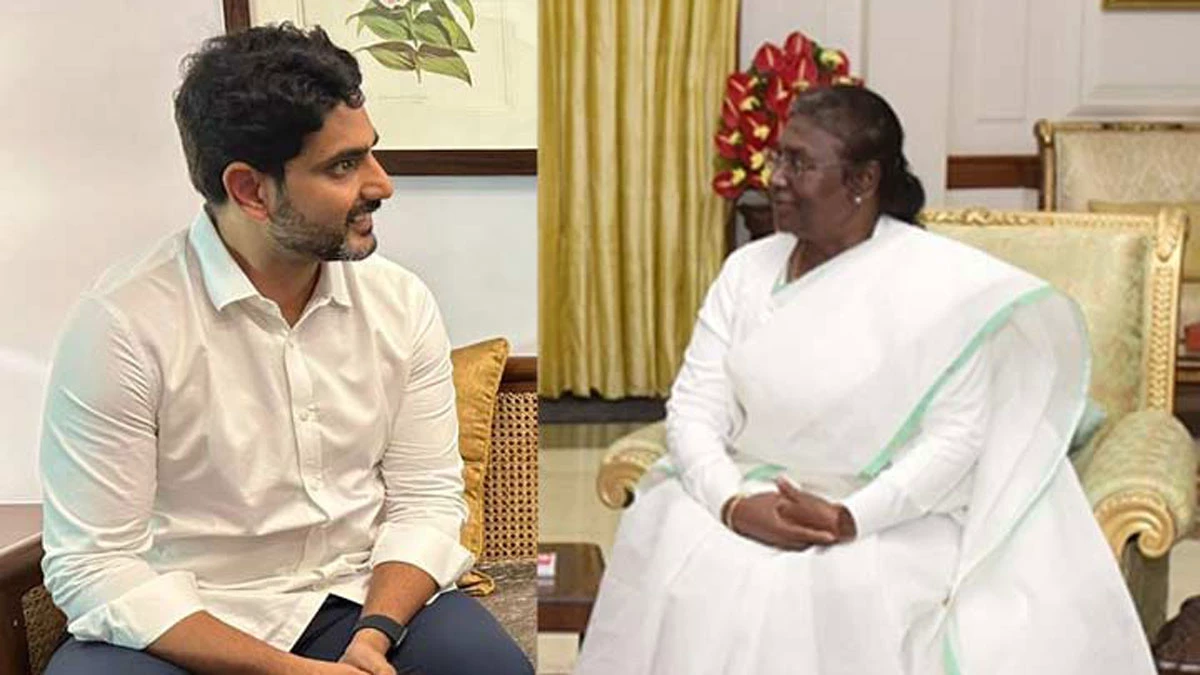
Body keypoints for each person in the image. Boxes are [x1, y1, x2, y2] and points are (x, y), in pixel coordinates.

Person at [574, 85, 1155, 674]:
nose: (776, 178)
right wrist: (732, 504)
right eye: (778, 157)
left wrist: (851, 518)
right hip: (747, 490)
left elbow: (955, 440)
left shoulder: (938, 286)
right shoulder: (746, 270)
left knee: (834, 587)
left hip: (887, 515)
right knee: (680, 545)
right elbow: (693, 408)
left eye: (800, 163)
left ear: (863, 180)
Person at [38, 23, 532, 675]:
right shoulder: (122, 325)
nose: (381, 184)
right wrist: (287, 671)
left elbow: (426, 501)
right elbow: (95, 563)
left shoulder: (400, 302)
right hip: (190, 617)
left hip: (358, 596)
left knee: (486, 665)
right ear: (250, 190)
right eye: (343, 165)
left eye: (370, 153)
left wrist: (374, 636)